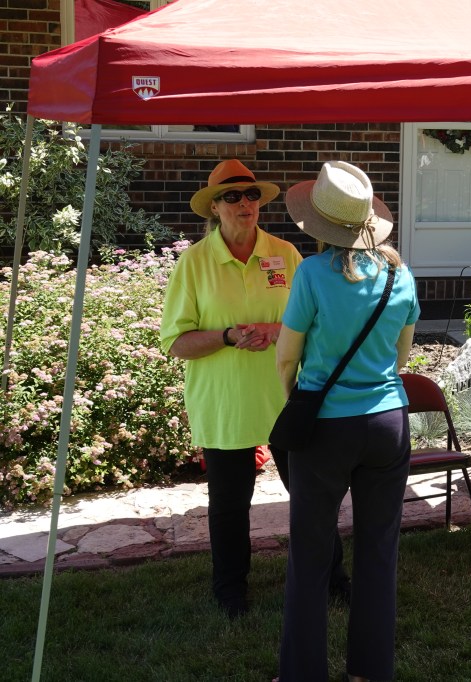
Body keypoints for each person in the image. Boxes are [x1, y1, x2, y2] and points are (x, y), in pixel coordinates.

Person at [276, 161, 418, 682]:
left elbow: (286, 358)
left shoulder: (312, 274)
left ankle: (302, 673)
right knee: (379, 551)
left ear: (318, 222)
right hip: (387, 422)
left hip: (326, 426)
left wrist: (299, 400)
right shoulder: (401, 275)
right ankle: (370, 670)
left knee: (310, 553)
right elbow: (400, 358)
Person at [161, 159, 319, 619]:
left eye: (251, 195)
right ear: (214, 207)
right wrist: (228, 336)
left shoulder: (285, 254)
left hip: (285, 397)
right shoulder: (194, 263)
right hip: (225, 402)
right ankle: (230, 591)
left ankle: (329, 577)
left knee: (311, 496)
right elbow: (176, 343)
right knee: (230, 506)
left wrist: (276, 330)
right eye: (232, 196)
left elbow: (312, 323)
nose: (244, 203)